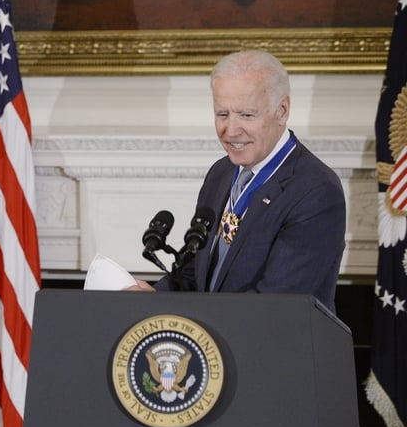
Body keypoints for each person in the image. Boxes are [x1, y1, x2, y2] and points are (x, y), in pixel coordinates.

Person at [132, 50, 346, 312]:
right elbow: (197, 274)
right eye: (222, 114)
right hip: (216, 345)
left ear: (282, 110)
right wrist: (154, 296)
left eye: (246, 115)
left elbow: (277, 305)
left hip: (276, 349)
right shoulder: (220, 173)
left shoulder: (316, 190)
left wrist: (185, 316)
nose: (230, 130)